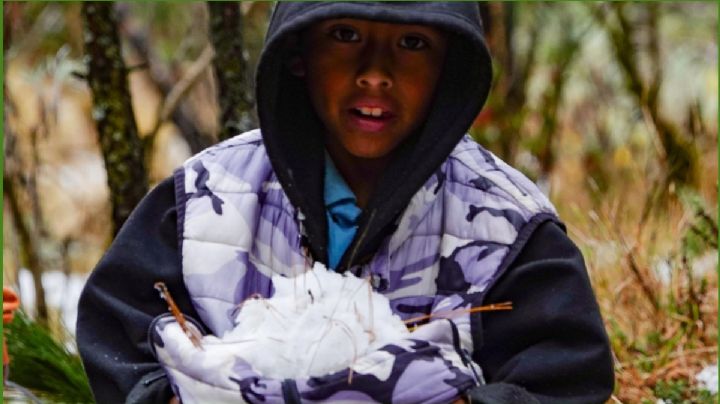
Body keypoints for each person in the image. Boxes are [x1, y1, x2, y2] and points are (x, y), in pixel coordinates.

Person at [77, 3, 614, 403]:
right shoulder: (205, 199)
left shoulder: (507, 226)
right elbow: (119, 331)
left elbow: (566, 379)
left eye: (412, 44)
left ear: (449, 65)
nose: (375, 72)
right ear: (298, 55)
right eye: (345, 34)